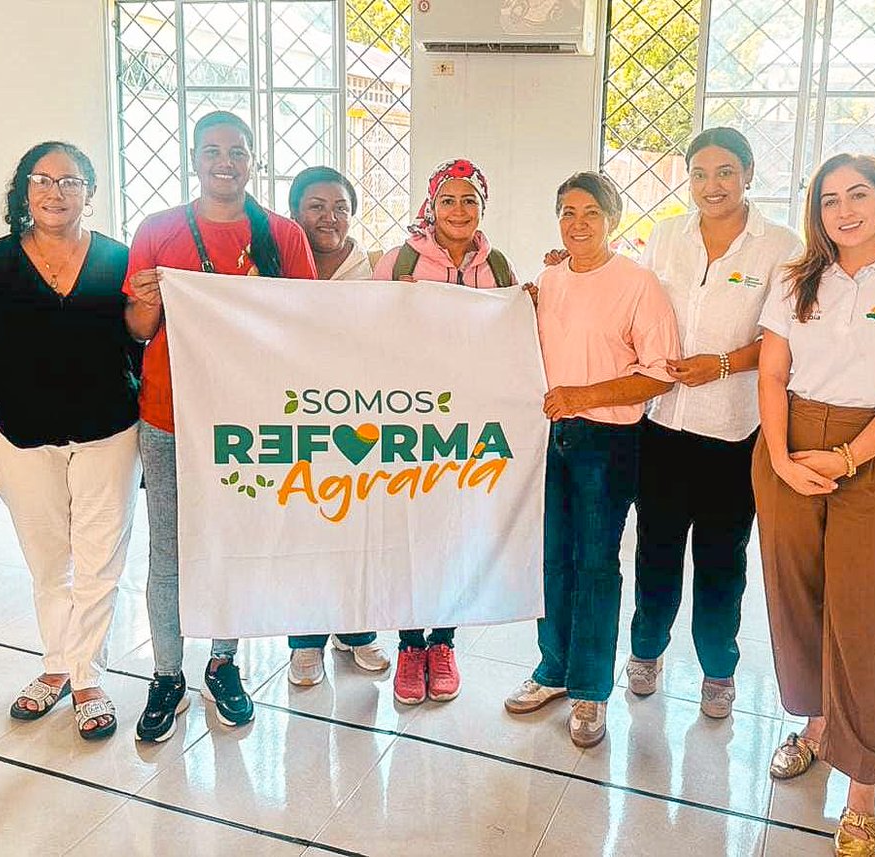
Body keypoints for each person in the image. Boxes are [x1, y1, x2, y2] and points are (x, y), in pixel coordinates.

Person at [753, 153, 875, 856]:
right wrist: (778, 456)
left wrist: (846, 457)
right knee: (796, 597)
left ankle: (861, 785)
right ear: (818, 212)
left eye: (858, 194)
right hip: (788, 443)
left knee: (864, 616)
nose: (844, 209)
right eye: (830, 198)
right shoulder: (793, 278)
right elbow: (773, 371)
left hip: (872, 452)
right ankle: (813, 726)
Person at [124, 111, 317, 739]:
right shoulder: (157, 230)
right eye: (212, 151)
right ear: (194, 160)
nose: (225, 162)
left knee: (234, 539)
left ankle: (223, 661)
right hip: (169, 412)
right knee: (169, 546)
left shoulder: (283, 236)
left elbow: (304, 330)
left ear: (254, 159)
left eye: (238, 150)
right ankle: (167, 671)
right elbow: (138, 331)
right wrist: (151, 301)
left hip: (248, 423)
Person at [624, 128, 803, 718]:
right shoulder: (669, 236)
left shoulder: (780, 245)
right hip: (664, 425)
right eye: (700, 174)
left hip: (734, 432)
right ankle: (645, 652)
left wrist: (722, 364)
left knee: (723, 559)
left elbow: (782, 341)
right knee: (656, 552)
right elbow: (636, 308)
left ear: (749, 173)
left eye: (725, 172)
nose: (711, 186)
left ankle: (718, 668)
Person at [0, 142, 142, 740]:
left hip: (107, 428)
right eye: (42, 180)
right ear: (23, 191)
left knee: (100, 556)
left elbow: (136, 337)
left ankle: (87, 673)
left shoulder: (119, 259)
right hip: (20, 432)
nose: (55, 192)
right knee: (48, 559)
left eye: (70, 181)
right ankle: (54, 665)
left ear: (89, 192)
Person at [503, 172, 680, 749]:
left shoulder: (637, 284)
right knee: (550, 558)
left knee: (596, 565)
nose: (578, 224)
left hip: (606, 443)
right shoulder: (549, 280)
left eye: (590, 213)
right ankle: (553, 668)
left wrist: (581, 397)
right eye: (567, 212)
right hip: (547, 438)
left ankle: (590, 689)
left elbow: (658, 372)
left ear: (613, 219)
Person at [372, 157, 517, 706]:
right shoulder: (399, 259)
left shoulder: (496, 265)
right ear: (431, 205)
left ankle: (444, 642)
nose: (459, 210)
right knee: (411, 532)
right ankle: (410, 644)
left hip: (467, 427)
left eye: (470, 200)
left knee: (456, 535)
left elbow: (514, 334)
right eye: (448, 200)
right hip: (409, 423)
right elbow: (363, 330)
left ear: (482, 207)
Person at [283, 166, 389, 687]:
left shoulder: (373, 269)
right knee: (304, 526)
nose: (330, 217)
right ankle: (305, 641)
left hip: (359, 418)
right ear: (296, 212)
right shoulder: (275, 266)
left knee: (358, 527)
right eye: (316, 206)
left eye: (341, 206)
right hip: (294, 416)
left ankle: (358, 633)